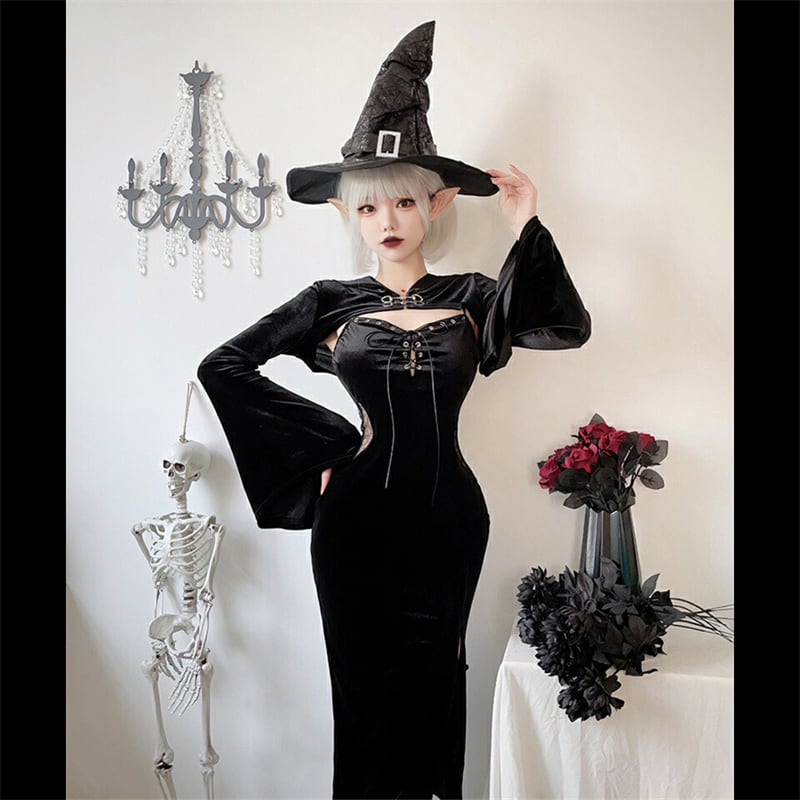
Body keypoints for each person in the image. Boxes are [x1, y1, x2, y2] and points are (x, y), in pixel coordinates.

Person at [197, 21, 590, 800]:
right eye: (369, 207)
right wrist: (326, 451)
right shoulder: (328, 302)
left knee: (437, 682)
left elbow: (563, 326)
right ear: (347, 214)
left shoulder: (474, 295)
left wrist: (525, 224)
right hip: (353, 526)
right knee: (361, 691)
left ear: (435, 204)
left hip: (449, 520)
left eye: (404, 201)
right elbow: (225, 366)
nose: (388, 221)